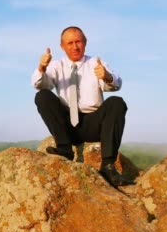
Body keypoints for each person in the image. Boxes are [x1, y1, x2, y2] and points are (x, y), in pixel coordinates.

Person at [32, 26, 133, 187]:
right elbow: (40, 84)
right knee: (42, 96)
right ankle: (64, 149)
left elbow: (116, 84)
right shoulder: (57, 66)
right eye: (70, 43)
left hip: (93, 124)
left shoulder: (95, 63)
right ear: (62, 46)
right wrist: (42, 68)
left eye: (78, 41)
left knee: (116, 102)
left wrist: (106, 76)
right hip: (66, 126)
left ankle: (108, 166)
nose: (75, 46)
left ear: (85, 43)